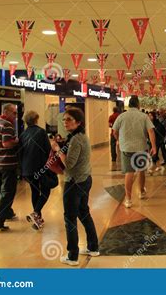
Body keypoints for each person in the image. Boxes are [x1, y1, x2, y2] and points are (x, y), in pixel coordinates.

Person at [51, 108, 99, 266]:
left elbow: (69, 165)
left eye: (69, 119)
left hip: (74, 182)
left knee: (70, 218)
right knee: (84, 213)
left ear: (78, 122)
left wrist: (57, 150)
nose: (65, 122)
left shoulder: (76, 140)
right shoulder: (80, 136)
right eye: (64, 119)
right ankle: (93, 247)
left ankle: (73, 256)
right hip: (85, 179)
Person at [112, 96, 156, 208]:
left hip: (126, 148)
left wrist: (119, 140)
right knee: (141, 170)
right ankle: (141, 192)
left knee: (129, 173)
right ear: (138, 104)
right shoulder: (143, 116)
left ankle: (128, 199)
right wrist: (154, 146)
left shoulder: (122, 116)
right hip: (141, 147)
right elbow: (151, 131)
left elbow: (114, 131)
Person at [19, 110, 56, 230]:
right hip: (39, 167)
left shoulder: (23, 134)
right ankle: (36, 212)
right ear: (36, 119)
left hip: (27, 169)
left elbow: (20, 153)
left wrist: (21, 169)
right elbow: (47, 150)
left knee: (35, 191)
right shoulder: (41, 132)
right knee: (46, 190)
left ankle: (37, 219)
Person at [0, 103, 19, 231]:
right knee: (8, 191)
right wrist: (16, 141)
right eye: (14, 113)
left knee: (1, 191)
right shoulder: (7, 125)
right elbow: (7, 144)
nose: (16, 116)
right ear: (6, 112)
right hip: (6, 163)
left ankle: (7, 212)